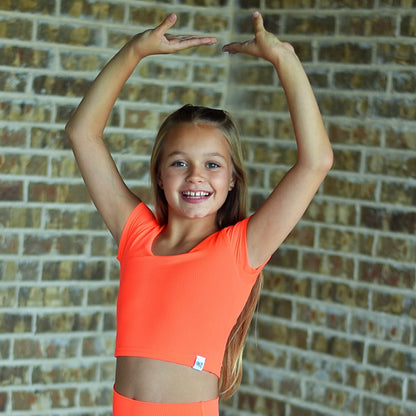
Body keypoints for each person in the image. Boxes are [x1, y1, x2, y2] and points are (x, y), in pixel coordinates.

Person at [65, 11, 333, 416]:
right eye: (178, 163)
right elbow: (81, 134)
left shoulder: (240, 249)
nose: (195, 177)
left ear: (231, 180)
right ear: (158, 174)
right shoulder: (136, 235)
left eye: (212, 165)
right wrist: (135, 51)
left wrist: (285, 60)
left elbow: (316, 161)